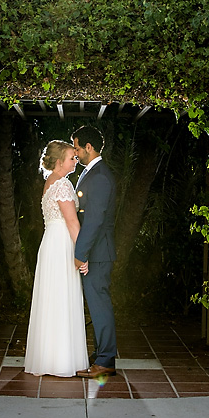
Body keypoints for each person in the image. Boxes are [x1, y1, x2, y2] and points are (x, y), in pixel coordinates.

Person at [24, 140, 90, 377]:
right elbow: (72, 222)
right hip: (62, 243)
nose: (76, 160)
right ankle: (62, 361)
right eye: (72, 157)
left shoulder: (50, 182)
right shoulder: (61, 184)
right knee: (61, 297)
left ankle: (49, 359)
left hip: (50, 241)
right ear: (60, 161)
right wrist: (83, 254)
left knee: (53, 298)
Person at [71, 125, 118, 377]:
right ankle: (102, 354)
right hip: (97, 251)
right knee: (97, 304)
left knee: (100, 305)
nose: (75, 153)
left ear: (89, 147)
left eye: (77, 147)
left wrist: (81, 254)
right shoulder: (93, 172)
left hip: (98, 253)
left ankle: (106, 361)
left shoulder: (99, 175)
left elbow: (95, 220)